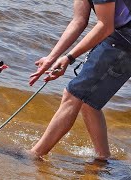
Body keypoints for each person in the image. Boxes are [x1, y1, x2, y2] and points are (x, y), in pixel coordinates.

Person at [28, 0, 131, 160]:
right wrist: (51, 57)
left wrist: (69, 57)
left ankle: (34, 155)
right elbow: (79, 21)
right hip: (117, 36)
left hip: (123, 42)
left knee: (73, 95)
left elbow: (105, 26)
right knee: (88, 102)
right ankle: (103, 158)